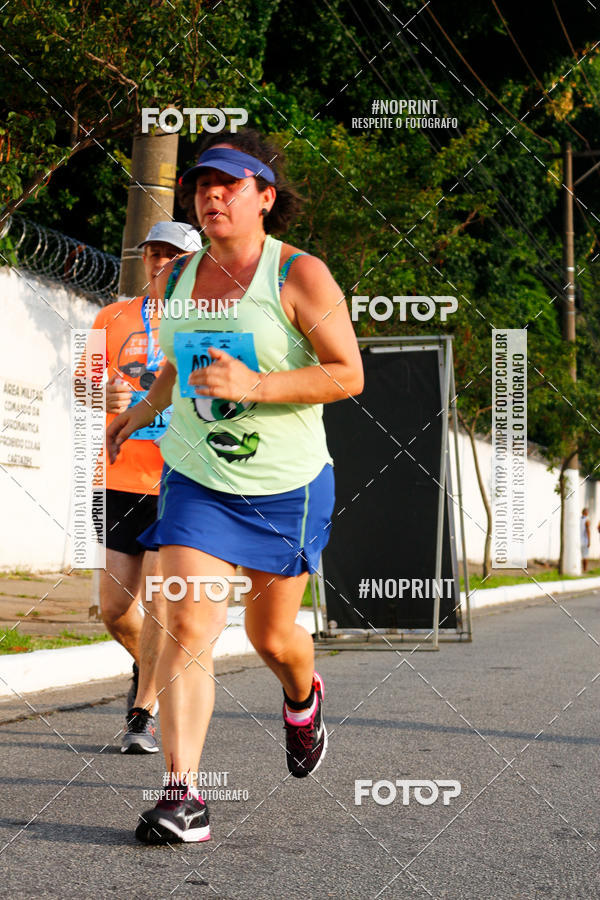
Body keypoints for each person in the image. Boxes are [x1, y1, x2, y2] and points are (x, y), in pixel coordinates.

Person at [107, 128, 364, 844]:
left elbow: (349, 372)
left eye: (229, 183)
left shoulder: (299, 274)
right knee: (190, 624)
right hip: (197, 479)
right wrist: (136, 414)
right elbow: (174, 368)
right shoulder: (176, 279)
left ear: (264, 197)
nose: (211, 194)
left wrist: (257, 385)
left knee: (271, 635)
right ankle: (182, 796)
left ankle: (302, 696)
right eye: (201, 184)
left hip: (287, 485)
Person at [92, 221, 202, 753]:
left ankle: (144, 711)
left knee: (161, 601)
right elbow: (82, 383)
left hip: (177, 478)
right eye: (153, 253)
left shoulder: (208, 321)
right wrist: (102, 393)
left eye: (172, 255)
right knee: (115, 609)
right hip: (117, 476)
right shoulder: (109, 318)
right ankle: (149, 669)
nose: (159, 262)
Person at [581, 507, 591, 572]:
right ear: (586, 513)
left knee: (582, 556)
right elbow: (588, 531)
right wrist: (589, 541)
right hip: (585, 540)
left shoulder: (579, 519)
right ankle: (585, 569)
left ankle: (583, 569)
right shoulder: (587, 520)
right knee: (585, 556)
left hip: (579, 540)